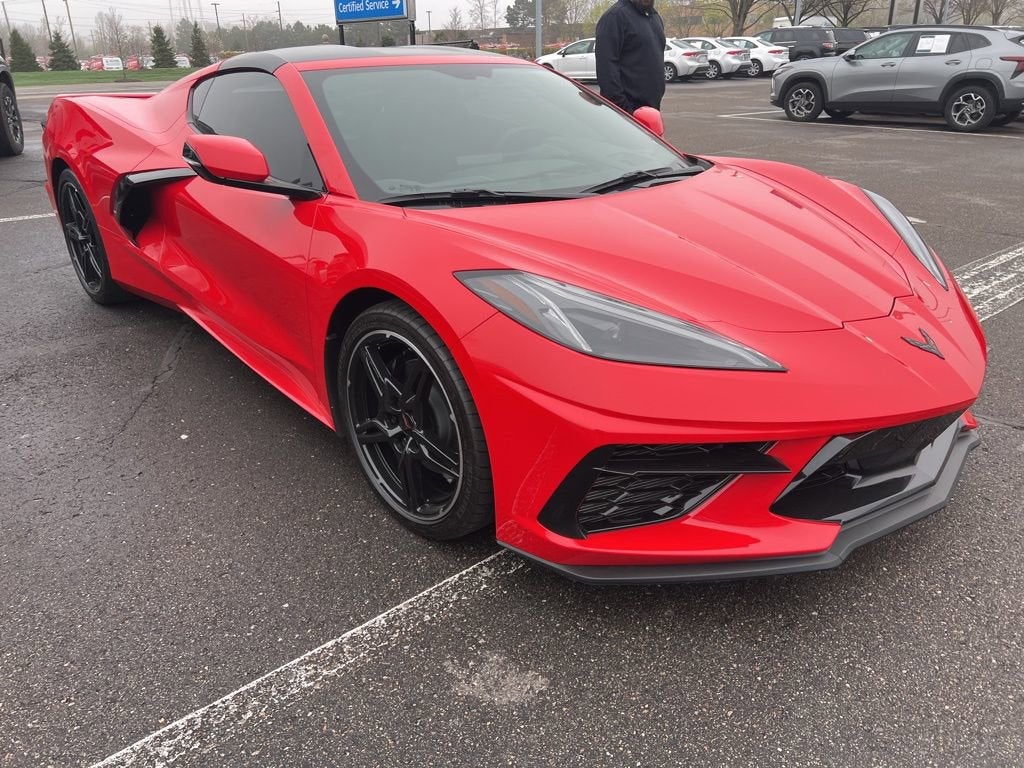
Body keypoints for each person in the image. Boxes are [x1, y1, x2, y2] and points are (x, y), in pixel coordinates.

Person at [595, 0, 666, 115]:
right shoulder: (615, 17)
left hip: (652, 111)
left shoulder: (655, 17)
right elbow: (606, 69)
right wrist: (626, 110)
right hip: (626, 114)